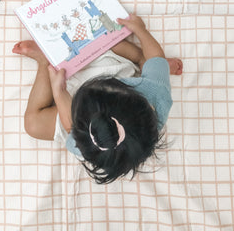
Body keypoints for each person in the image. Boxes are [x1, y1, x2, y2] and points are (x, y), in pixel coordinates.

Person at [12, 14, 183, 184]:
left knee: (33, 125)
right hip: (111, 63)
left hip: (75, 99)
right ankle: (156, 66)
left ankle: (44, 61)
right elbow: (155, 56)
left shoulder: (85, 145)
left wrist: (59, 91)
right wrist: (140, 29)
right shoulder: (156, 93)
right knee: (141, 57)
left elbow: (70, 125)